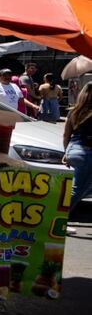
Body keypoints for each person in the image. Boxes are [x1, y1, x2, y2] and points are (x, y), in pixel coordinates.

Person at [63, 81, 92, 218]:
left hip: (74, 150)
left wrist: (66, 152)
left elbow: (66, 135)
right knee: (78, 189)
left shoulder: (74, 111)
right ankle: (58, 217)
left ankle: (61, 215)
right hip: (87, 152)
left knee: (79, 187)